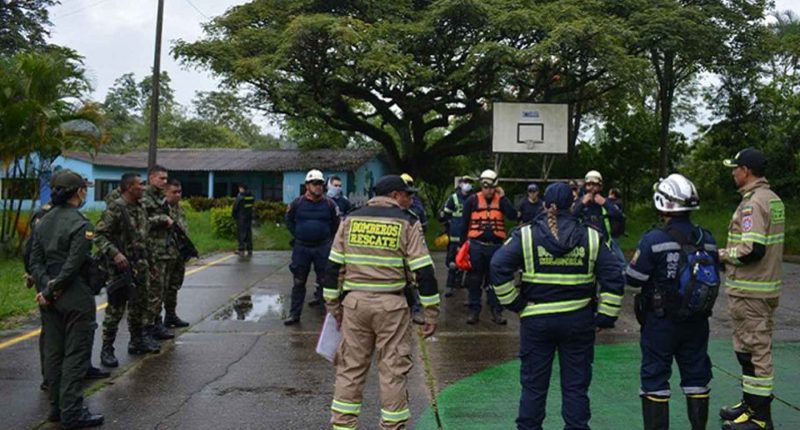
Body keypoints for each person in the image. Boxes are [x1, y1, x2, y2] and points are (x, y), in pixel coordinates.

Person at [489, 182, 625, 430]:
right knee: (575, 388)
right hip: (578, 322)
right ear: (572, 204)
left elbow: (498, 266)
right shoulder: (592, 236)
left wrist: (515, 303)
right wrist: (604, 317)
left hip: (536, 321)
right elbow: (614, 276)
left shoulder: (527, 235)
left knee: (533, 386)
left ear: (544, 204)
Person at [322, 174, 439, 430]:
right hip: (392, 307)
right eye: (408, 194)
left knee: (350, 369)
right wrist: (431, 312)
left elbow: (332, 268)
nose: (411, 198)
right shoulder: (407, 222)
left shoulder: (350, 218)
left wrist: (333, 308)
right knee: (392, 371)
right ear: (395, 195)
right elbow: (424, 272)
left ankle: (342, 426)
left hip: (354, 305)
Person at [625, 174, 718, 430]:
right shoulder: (707, 239)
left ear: (662, 202)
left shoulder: (654, 239)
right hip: (697, 320)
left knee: (655, 377)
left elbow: (634, 278)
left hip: (661, 321)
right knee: (697, 376)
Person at [29, 169, 104, 428]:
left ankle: (56, 408)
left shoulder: (42, 221)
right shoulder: (81, 224)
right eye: (85, 189)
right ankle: (72, 411)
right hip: (74, 295)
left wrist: (45, 288)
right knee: (76, 354)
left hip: (47, 296)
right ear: (79, 192)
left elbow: (34, 260)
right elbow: (73, 265)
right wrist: (54, 287)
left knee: (53, 352)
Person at [717, 148, 784, 430]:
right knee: (746, 352)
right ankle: (750, 405)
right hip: (760, 290)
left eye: (735, 168)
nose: (733, 172)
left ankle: (759, 418)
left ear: (746, 170)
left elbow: (752, 250)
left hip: (752, 291)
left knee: (756, 354)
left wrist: (721, 255)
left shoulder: (753, 204)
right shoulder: (772, 199)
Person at [96, 172, 159, 368]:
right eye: (140, 185)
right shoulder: (116, 208)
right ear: (129, 187)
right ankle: (107, 349)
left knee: (140, 305)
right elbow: (98, 235)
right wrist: (115, 254)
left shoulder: (141, 207)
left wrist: (152, 263)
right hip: (121, 269)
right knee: (115, 310)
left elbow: (145, 238)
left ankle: (137, 340)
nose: (144, 188)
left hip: (141, 266)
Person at [460, 169, 517, 325]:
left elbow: (513, 215)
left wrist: (504, 197)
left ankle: (496, 311)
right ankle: (474, 311)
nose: (488, 190)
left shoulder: (501, 201)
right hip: (476, 246)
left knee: (495, 281)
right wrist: (461, 247)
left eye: (491, 187)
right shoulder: (472, 201)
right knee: (474, 280)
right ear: (481, 186)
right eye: (485, 187)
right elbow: (464, 225)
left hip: (496, 247)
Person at [284, 169, 340, 325]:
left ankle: (327, 317)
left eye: (320, 183)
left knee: (325, 282)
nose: (318, 187)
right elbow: (289, 220)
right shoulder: (297, 203)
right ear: (307, 185)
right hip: (302, 248)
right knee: (298, 281)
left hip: (323, 248)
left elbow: (337, 224)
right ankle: (294, 314)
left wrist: (327, 239)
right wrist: (299, 235)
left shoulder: (330, 204)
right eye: (314, 183)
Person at [140, 165, 176, 342]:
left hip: (165, 251)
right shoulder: (144, 197)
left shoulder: (161, 197)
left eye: (166, 178)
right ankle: (146, 329)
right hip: (152, 251)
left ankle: (156, 323)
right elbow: (142, 221)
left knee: (161, 290)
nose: (165, 182)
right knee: (152, 291)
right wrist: (162, 219)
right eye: (161, 178)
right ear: (151, 178)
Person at [572, 170, 626, 266]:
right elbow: (570, 217)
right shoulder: (579, 203)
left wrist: (604, 203)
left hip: (604, 247)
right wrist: (581, 204)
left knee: (619, 266)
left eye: (595, 184)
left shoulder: (607, 203)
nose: (592, 188)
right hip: (584, 247)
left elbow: (620, 217)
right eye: (589, 184)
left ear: (600, 187)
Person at [439, 176, 473, 297]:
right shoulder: (453, 198)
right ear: (460, 184)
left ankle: (461, 283)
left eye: (469, 182)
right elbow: (445, 216)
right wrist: (449, 228)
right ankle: (450, 286)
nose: (467, 184)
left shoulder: (473, 198)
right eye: (465, 182)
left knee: (467, 261)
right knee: (453, 262)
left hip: (469, 237)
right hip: (454, 236)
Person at [163, 179, 190, 328]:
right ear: (166, 192)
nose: (178, 195)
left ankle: (170, 315)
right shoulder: (161, 209)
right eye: (174, 192)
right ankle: (154, 323)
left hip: (178, 254)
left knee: (174, 286)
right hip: (165, 255)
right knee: (161, 288)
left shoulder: (179, 209)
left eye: (180, 192)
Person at [232, 184, 256, 256]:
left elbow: (235, 208)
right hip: (249, 217)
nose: (239, 190)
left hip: (241, 218)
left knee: (241, 234)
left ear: (242, 189)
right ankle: (250, 249)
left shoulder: (240, 197)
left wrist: (234, 216)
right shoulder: (251, 197)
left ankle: (241, 250)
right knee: (248, 233)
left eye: (239, 188)